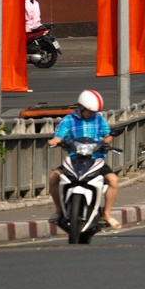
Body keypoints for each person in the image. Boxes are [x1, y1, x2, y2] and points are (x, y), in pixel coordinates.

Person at [48, 90, 117, 220]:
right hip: (74, 161)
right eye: (90, 111)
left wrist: (105, 141)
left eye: (94, 111)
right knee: (53, 177)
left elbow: (108, 136)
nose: (92, 114)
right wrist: (55, 141)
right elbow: (57, 137)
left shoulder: (98, 119)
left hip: (96, 161)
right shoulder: (68, 120)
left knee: (113, 180)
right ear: (81, 107)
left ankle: (107, 214)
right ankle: (59, 211)